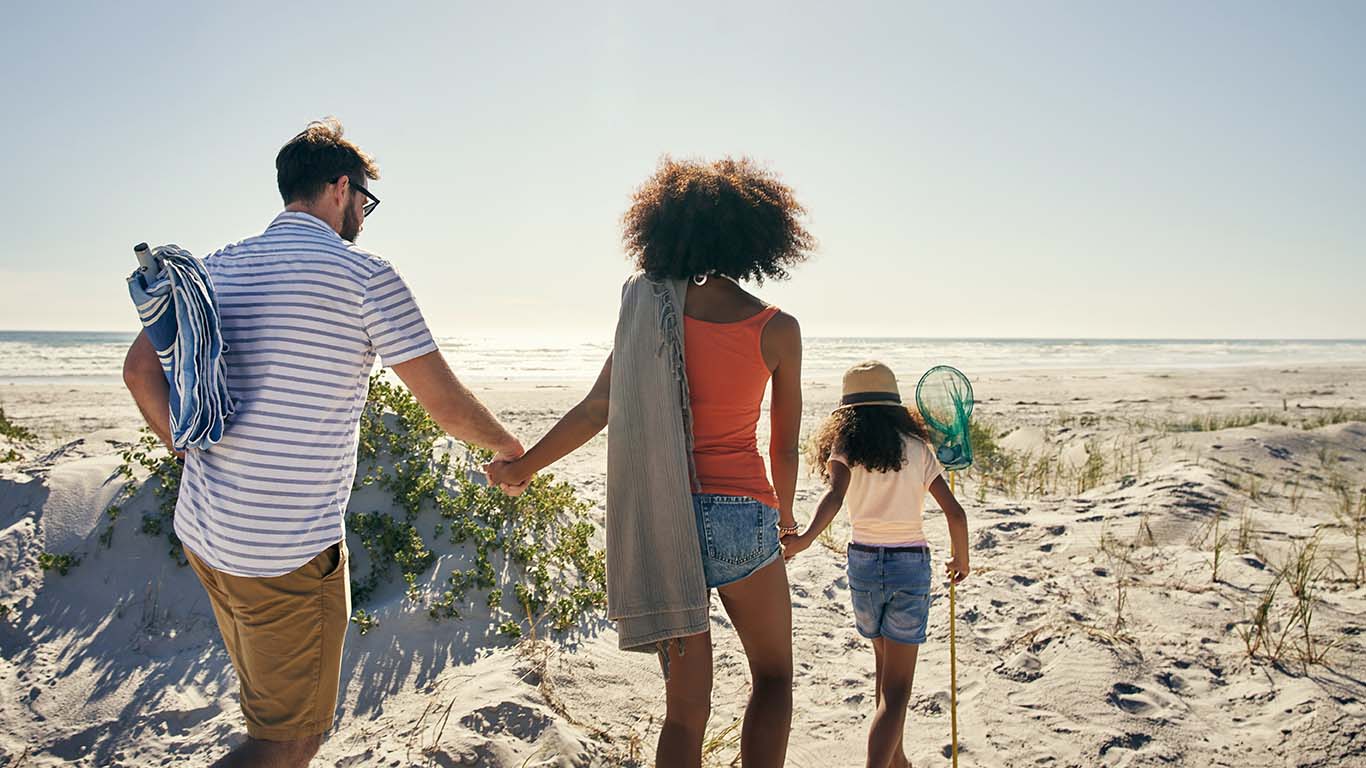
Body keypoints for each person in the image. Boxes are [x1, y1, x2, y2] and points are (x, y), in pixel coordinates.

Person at [122, 117, 525, 768]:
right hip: (284, 555)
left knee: (269, 710)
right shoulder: (363, 276)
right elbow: (445, 404)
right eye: (365, 200)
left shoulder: (216, 267)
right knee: (288, 742)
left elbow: (139, 372)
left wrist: (187, 448)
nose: (364, 214)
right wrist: (510, 448)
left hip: (205, 534)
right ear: (341, 189)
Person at [486, 156, 813, 767]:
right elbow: (784, 445)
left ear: (662, 229)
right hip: (743, 515)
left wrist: (524, 466)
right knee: (772, 677)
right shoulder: (778, 329)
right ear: (758, 237)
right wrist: (786, 517)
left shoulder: (648, 312)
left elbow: (597, 408)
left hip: (665, 518)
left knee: (685, 713)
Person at [783, 361, 970, 768]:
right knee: (897, 691)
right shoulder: (919, 450)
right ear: (895, 407)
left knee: (884, 676)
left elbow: (832, 499)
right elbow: (955, 514)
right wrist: (961, 558)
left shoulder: (844, 448)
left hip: (864, 564)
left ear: (847, 412)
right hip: (909, 565)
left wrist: (804, 540)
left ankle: (896, 761)